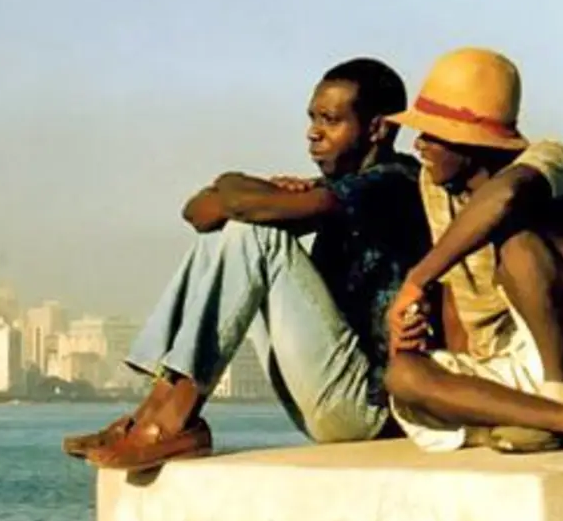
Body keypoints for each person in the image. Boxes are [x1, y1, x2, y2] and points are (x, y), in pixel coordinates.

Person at [62, 57, 432, 471]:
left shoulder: (393, 183)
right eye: (312, 118)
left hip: (368, 408)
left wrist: (234, 183)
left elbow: (241, 205)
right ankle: (154, 411)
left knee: (255, 232)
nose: (313, 132)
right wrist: (253, 194)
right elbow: (198, 213)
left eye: (330, 120)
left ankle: (175, 420)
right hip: (330, 392)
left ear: (378, 128)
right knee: (228, 231)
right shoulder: (340, 186)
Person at [379, 47, 563, 461]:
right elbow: (460, 301)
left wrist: (417, 280)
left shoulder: (548, 159)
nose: (418, 144)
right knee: (403, 376)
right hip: (514, 362)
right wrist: (419, 343)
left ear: (468, 141)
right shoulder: (434, 185)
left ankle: (560, 397)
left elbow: (505, 196)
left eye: (431, 134)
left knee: (516, 237)